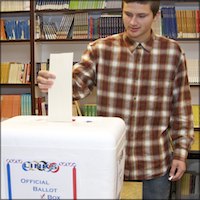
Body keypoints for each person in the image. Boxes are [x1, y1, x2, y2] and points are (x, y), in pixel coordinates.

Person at [37, 0, 194, 199]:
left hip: (154, 165)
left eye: (141, 16)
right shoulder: (100, 49)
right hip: (108, 164)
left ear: (155, 17)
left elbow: (181, 107)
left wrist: (181, 152)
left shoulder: (172, 53)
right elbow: (75, 86)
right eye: (128, 14)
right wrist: (52, 83)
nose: (133, 22)